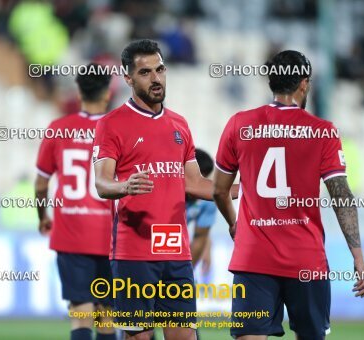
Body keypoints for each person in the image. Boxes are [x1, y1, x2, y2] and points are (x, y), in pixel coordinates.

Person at [212, 50, 364, 340]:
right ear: (304, 84)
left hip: (253, 259)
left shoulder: (240, 124)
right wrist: (358, 258)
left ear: (271, 83)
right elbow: (342, 196)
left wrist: (234, 223)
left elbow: (219, 190)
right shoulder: (322, 132)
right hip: (305, 260)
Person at [92, 39, 237, 340]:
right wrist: (124, 186)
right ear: (129, 79)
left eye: (160, 69)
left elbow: (194, 184)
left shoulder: (179, 124)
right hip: (134, 253)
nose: (156, 78)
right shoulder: (111, 124)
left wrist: (243, 189)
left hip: (176, 252)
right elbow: (101, 183)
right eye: (145, 72)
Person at [35, 63, 116, 340]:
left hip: (70, 235)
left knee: (81, 312)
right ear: (107, 93)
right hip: (112, 237)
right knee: (106, 314)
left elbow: (41, 184)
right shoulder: (118, 129)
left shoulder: (58, 129)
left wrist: (42, 217)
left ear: (79, 91)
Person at [186, 149, 217, 271]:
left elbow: (200, 236)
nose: (197, 186)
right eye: (194, 179)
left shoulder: (207, 201)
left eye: (202, 179)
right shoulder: (163, 190)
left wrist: (186, 272)